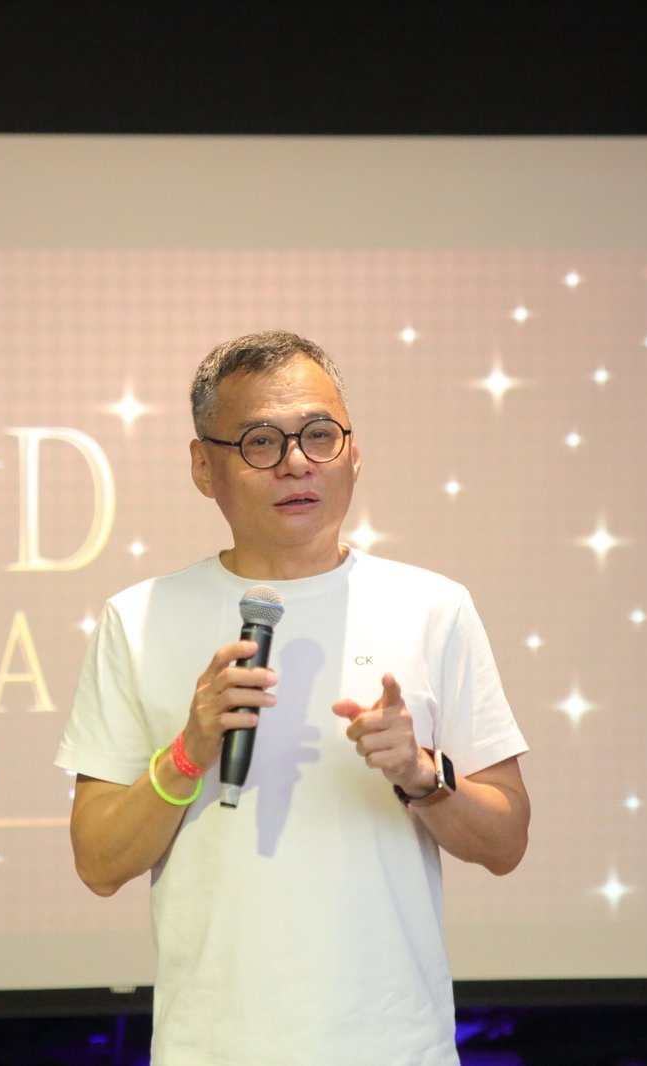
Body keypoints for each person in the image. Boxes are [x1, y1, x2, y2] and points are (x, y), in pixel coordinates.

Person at [55, 330, 530, 1065]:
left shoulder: (432, 608)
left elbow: (505, 842)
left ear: (354, 451)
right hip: (213, 1047)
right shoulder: (139, 618)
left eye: (319, 435)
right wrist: (187, 753)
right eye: (260, 443)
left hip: (393, 1045)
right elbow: (98, 862)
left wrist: (421, 774)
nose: (297, 463)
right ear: (202, 466)